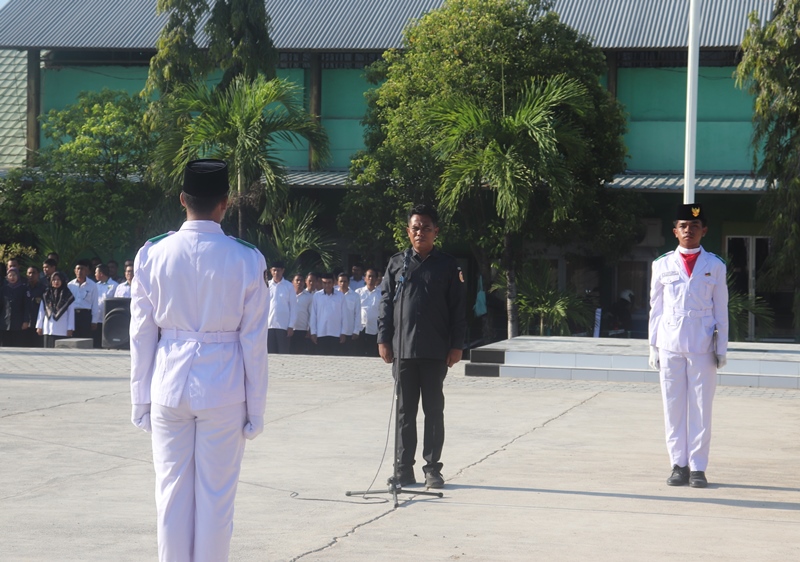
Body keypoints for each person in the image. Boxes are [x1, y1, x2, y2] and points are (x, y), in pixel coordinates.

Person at [129, 159, 269, 562]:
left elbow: (141, 334)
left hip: (168, 384)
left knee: (170, 494)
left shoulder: (152, 254)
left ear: (182, 200)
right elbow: (254, 343)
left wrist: (140, 399)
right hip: (223, 388)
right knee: (216, 499)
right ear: (225, 203)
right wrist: (255, 409)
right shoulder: (246, 258)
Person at [378, 204, 466, 489]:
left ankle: (432, 469)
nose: (420, 233)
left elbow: (458, 309)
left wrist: (456, 346)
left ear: (435, 232)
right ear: (408, 231)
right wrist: (383, 339)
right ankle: (403, 469)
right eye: (415, 228)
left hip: (435, 349)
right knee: (405, 412)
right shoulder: (396, 264)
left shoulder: (448, 265)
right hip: (402, 349)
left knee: (433, 411)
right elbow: (385, 305)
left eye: (426, 228)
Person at [649, 203, 728, 489]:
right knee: (673, 407)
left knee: (701, 408)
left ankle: (698, 467)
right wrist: (653, 346)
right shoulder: (661, 264)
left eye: (694, 226)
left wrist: (722, 348)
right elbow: (655, 308)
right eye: (683, 226)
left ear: (703, 230)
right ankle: (678, 465)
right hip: (670, 343)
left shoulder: (715, 265)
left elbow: (721, 309)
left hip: (702, 344)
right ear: (675, 231)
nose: (688, 231)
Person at [309, 272, 347, 355]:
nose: (327, 285)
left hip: (336, 333)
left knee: (335, 359)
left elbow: (344, 316)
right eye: (324, 283)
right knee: (321, 360)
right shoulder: (317, 296)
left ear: (333, 283)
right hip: (321, 333)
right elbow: (313, 315)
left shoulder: (340, 296)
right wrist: (313, 332)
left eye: (329, 283)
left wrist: (343, 332)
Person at [36, 271, 75, 347]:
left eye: (58, 280)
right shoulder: (46, 294)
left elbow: (71, 313)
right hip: (48, 328)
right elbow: (41, 311)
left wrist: (70, 328)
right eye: (54, 280)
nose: (56, 282)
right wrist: (39, 326)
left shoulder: (68, 295)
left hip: (62, 328)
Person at [267, 260, 295, 354]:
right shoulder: (266, 286)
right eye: (274, 270)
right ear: (270, 271)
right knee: (270, 354)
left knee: (283, 354)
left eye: (278, 270)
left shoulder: (289, 286)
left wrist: (291, 326)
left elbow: (293, 307)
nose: (276, 273)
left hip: (283, 326)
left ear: (283, 271)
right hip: (269, 326)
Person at [68, 259, 99, 339]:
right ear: (75, 271)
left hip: (85, 315)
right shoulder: (70, 285)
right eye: (78, 269)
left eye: (82, 269)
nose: (80, 271)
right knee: (72, 339)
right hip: (73, 315)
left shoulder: (92, 285)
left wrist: (94, 321)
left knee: (85, 339)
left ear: (87, 271)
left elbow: (95, 304)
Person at [1, 267, 30, 347]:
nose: (12, 277)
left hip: (18, 322)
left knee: (17, 345)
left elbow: (26, 306)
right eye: (10, 275)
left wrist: (26, 321)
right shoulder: (4, 289)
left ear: (18, 276)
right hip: (5, 323)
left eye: (14, 275)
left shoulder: (23, 289)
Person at [356, 268, 381, 357]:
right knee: (360, 354)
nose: (371, 279)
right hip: (360, 328)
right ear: (365, 278)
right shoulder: (358, 292)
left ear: (376, 279)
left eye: (373, 277)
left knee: (373, 354)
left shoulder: (380, 294)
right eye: (369, 276)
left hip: (374, 329)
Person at [94, 264, 119, 348]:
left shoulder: (114, 285)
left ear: (101, 273)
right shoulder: (95, 285)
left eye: (96, 272)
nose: (95, 275)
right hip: (97, 318)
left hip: (108, 318)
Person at [337, 272, 361, 355]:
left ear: (348, 282)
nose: (343, 283)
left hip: (349, 332)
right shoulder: (333, 295)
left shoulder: (355, 296)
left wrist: (356, 331)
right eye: (341, 281)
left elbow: (357, 314)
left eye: (345, 281)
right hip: (335, 332)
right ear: (338, 282)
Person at [291, 273, 313, 355]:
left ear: (304, 282)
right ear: (292, 282)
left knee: (301, 354)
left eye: (301, 280)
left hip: (303, 330)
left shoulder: (309, 297)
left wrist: (309, 329)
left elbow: (311, 315)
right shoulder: (288, 295)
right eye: (297, 280)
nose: (299, 282)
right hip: (289, 330)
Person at [24, 266, 46, 348]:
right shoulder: (24, 288)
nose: (31, 275)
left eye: (33, 273)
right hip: (25, 323)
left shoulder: (43, 289)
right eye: (29, 273)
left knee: (38, 346)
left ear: (38, 275)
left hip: (38, 324)